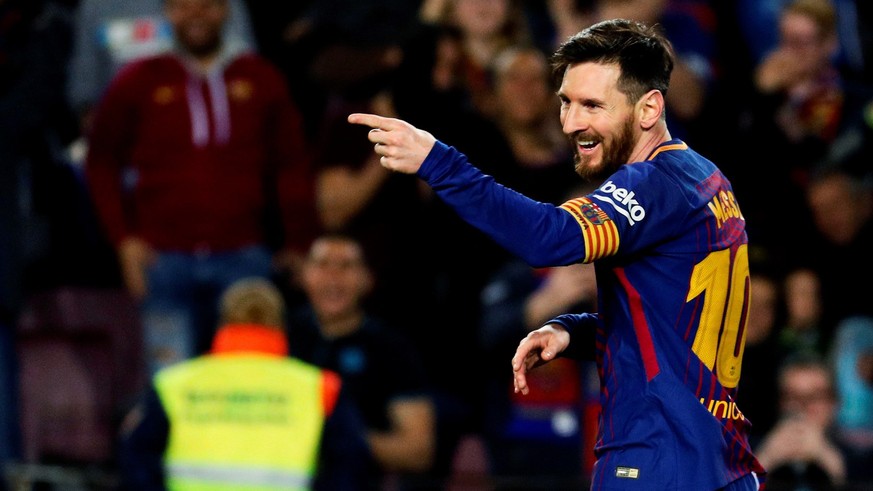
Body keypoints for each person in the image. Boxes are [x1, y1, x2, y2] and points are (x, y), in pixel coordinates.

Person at [349, 18, 764, 489]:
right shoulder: (705, 177)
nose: (570, 123)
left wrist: (438, 162)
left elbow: (551, 238)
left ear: (649, 108)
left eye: (591, 105)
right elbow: (676, 322)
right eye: (566, 102)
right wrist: (575, 331)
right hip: (721, 458)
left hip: (657, 458)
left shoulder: (650, 184)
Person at [84, 0, 319, 376]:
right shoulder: (139, 79)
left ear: (227, 10)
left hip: (244, 257)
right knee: (169, 386)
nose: (196, 15)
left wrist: (298, 240)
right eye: (183, 6)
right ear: (167, 12)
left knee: (251, 379)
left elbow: (291, 164)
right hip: (163, 259)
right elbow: (101, 162)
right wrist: (124, 240)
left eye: (207, 6)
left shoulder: (260, 78)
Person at [118, 276, 371, 491]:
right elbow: (351, 468)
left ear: (222, 324)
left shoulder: (174, 384)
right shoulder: (320, 388)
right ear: (281, 327)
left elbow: (136, 462)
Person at [287, 234, 437, 490]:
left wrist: (344, 438)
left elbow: (418, 451)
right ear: (303, 276)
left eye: (346, 266)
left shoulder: (391, 348)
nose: (333, 277)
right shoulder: (280, 338)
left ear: (367, 280)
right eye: (322, 264)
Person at [753, 353, 849, 490]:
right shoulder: (745, 451)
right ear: (780, 403)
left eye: (815, 396)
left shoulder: (860, 457)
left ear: (834, 403)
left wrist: (834, 468)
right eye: (793, 396)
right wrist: (763, 461)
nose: (803, 407)